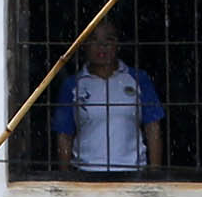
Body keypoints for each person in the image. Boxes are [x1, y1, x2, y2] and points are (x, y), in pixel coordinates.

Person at [52, 27, 165, 178]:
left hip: (133, 172)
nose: (102, 46)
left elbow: (153, 128)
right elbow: (64, 134)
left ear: (118, 45)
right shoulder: (72, 85)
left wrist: (154, 174)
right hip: (86, 173)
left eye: (109, 40)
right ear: (83, 44)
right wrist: (65, 177)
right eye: (94, 40)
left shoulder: (138, 79)